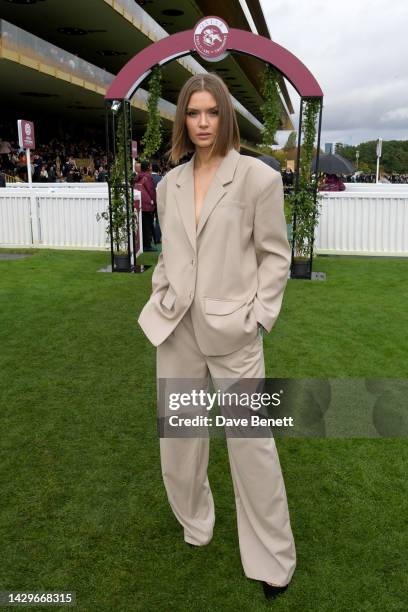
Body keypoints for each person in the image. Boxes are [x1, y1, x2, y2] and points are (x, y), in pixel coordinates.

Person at [137, 73, 296, 600]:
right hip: (176, 328)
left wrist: (259, 316)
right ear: (182, 119)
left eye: (211, 112)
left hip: (235, 332)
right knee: (179, 442)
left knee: (252, 444)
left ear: (224, 116)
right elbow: (171, 252)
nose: (202, 123)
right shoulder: (168, 185)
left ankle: (273, 558)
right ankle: (195, 522)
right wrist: (163, 291)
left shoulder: (257, 178)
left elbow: (275, 254)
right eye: (193, 113)